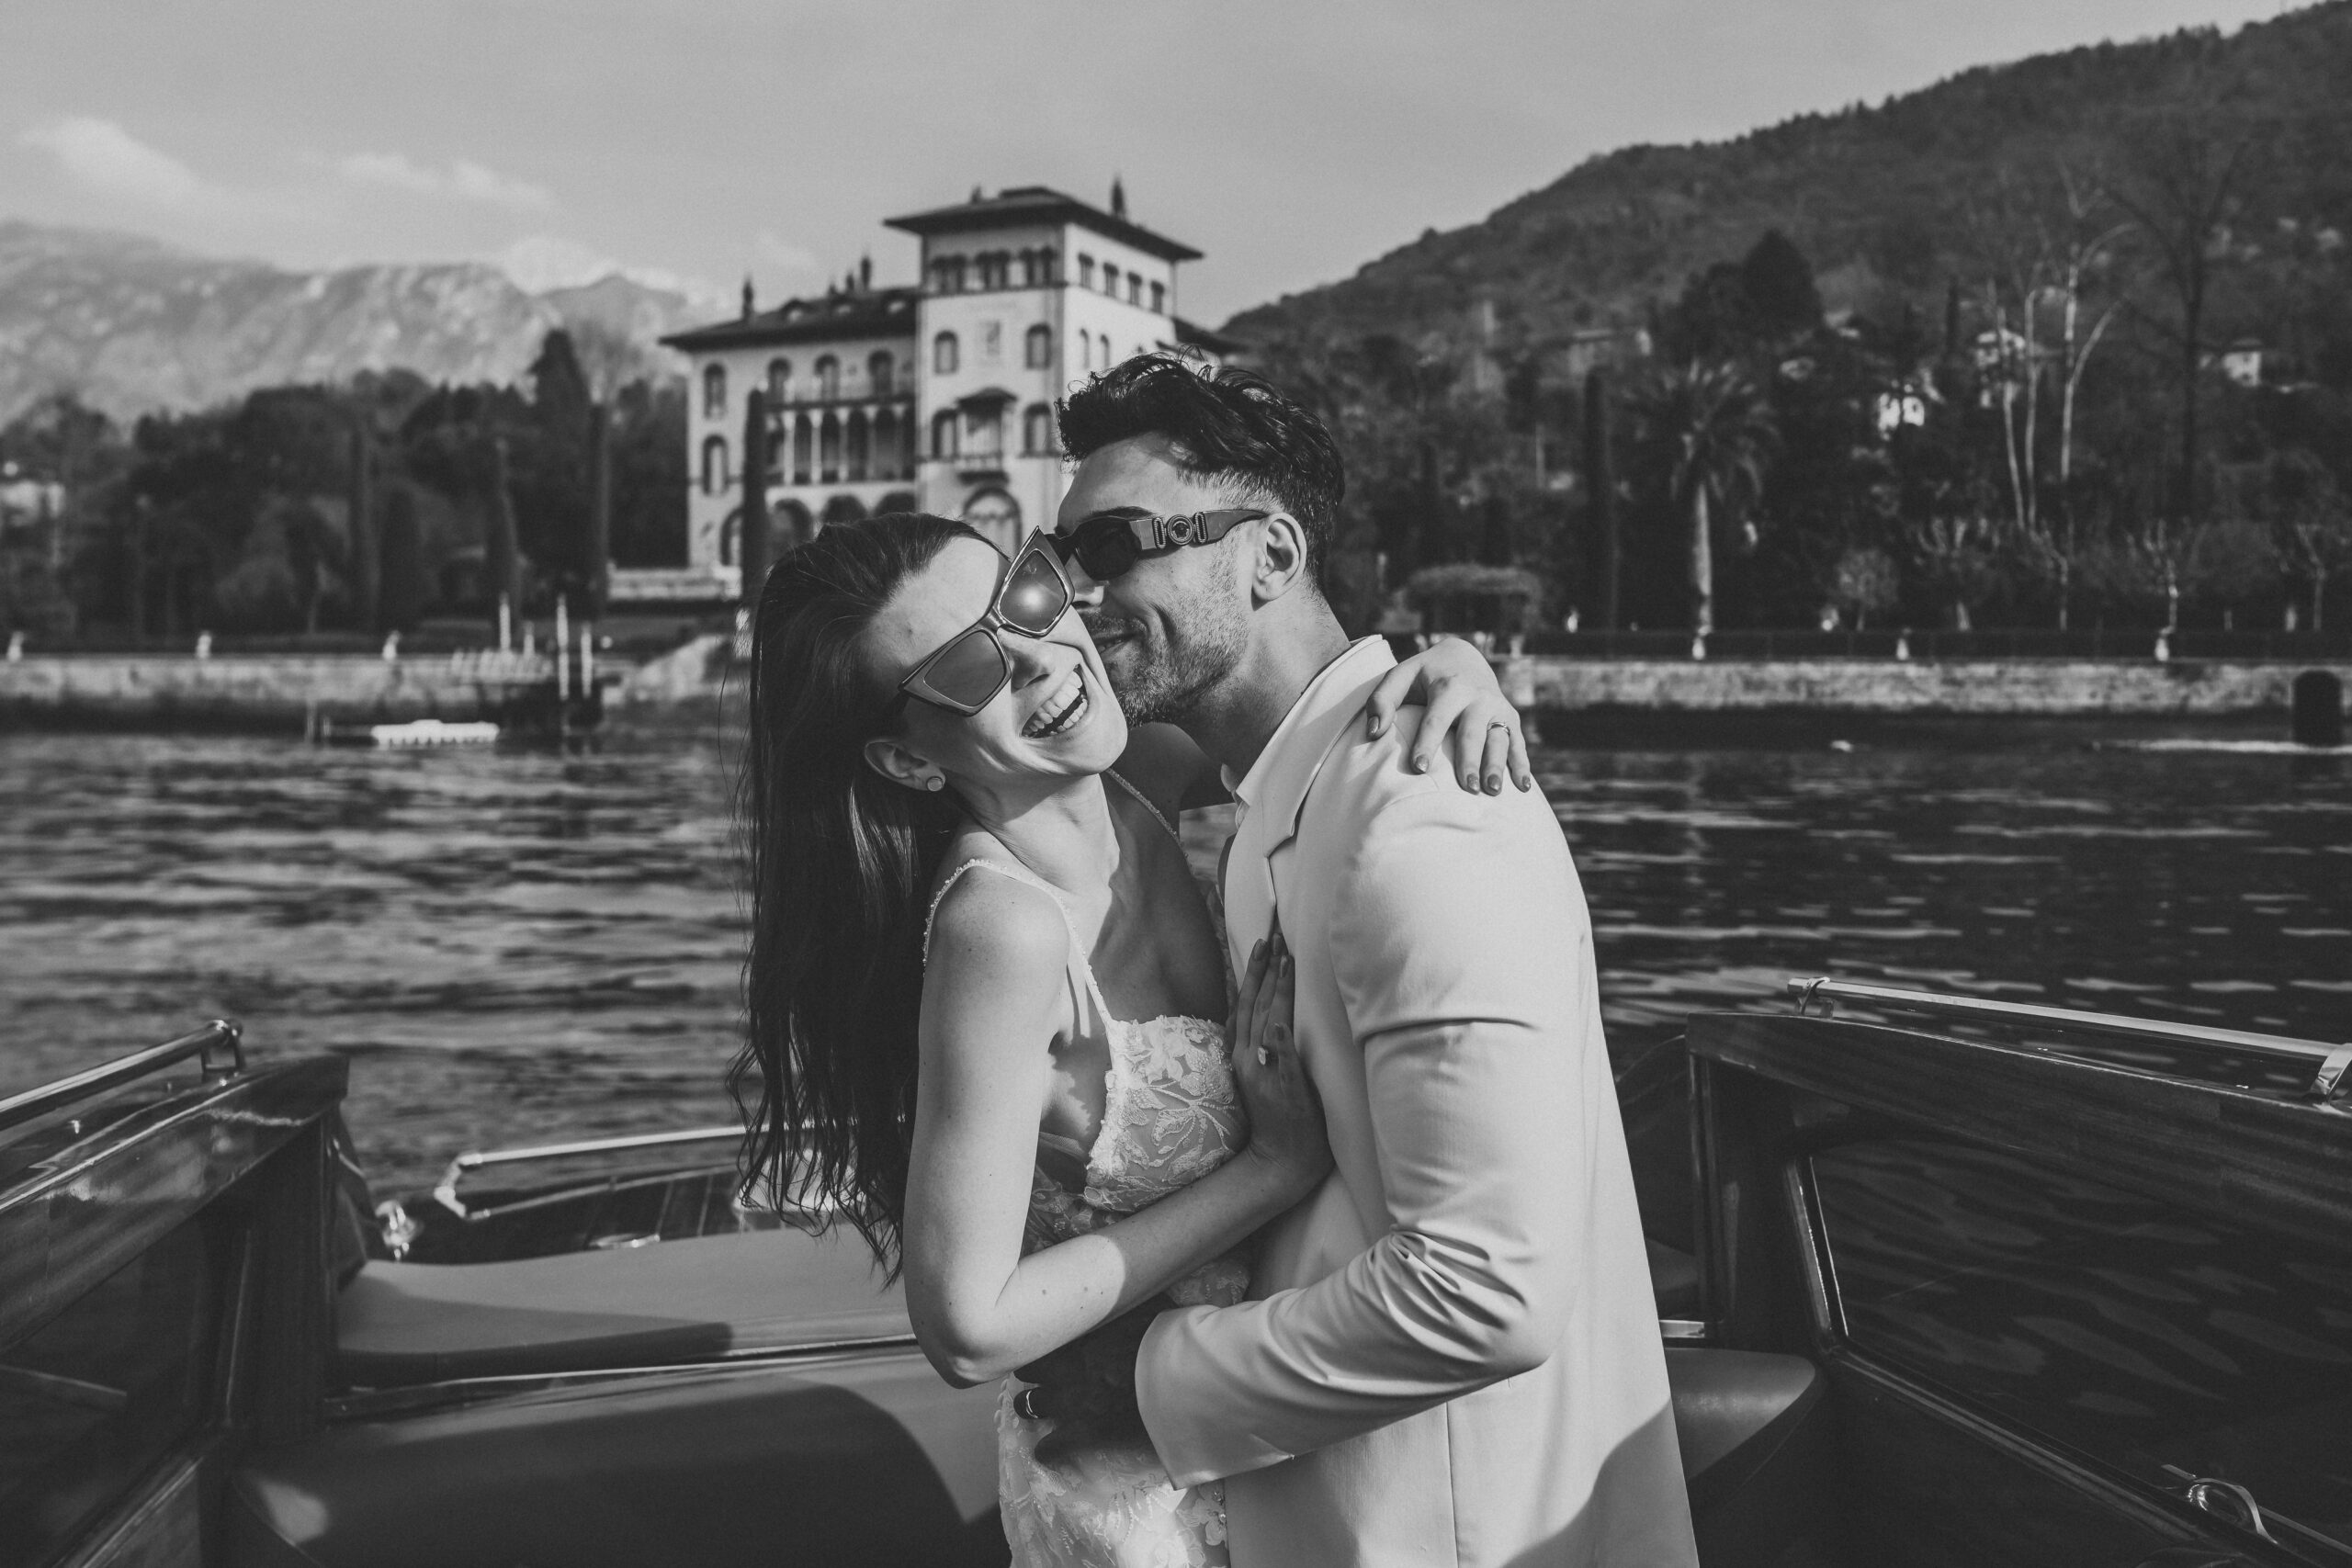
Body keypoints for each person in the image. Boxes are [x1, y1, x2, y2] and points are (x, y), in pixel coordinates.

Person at [734, 507, 1533, 1567]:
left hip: (1262, 1426)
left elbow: (1315, 723)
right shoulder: (1005, 933)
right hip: (1133, 1497)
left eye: (1024, 595)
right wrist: (1269, 1169)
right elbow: (965, 1329)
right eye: (969, 671)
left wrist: (1454, 664)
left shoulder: (1136, 774)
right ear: (910, 762)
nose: (1041, 659)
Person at [1019, 355, 1699, 1566]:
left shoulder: (1423, 803)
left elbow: (1489, 1286)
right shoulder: (1260, 806)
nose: (1079, 593)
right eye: (1063, 559)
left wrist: (1152, 1387)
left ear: (1269, 555)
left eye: (1116, 545)